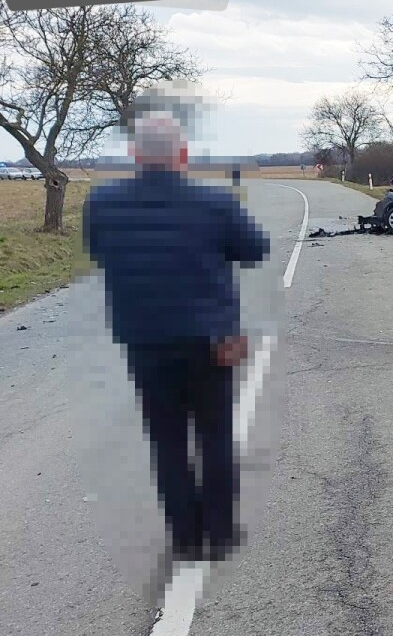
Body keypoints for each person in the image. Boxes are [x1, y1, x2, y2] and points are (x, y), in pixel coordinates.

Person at [83, 109, 269, 565]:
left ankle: (186, 536)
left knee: (166, 440)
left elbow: (97, 251)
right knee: (215, 437)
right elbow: (256, 249)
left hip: (146, 342)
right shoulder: (214, 201)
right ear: (182, 154)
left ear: (134, 154)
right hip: (212, 341)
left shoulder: (102, 204)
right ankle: (220, 533)